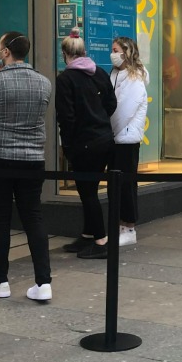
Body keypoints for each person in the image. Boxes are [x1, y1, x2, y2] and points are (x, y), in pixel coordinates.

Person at [0, 32, 53, 302]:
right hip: (32, 160)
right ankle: (43, 283)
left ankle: (1, 281)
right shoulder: (44, 84)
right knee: (33, 217)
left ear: (6, 53)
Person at [56, 30, 117, 259]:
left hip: (83, 142)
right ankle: (89, 234)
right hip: (104, 138)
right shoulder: (99, 73)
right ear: (83, 51)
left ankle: (101, 240)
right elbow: (112, 103)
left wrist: (68, 145)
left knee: (87, 192)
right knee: (89, 190)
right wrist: (98, 118)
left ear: (65, 54)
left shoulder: (66, 79)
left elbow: (66, 117)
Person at [109, 36, 148, 247]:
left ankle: (129, 227)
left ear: (126, 52)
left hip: (126, 138)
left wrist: (109, 128)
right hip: (116, 138)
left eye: (115, 50)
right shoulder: (116, 74)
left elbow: (123, 110)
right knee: (117, 185)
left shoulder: (135, 79)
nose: (112, 54)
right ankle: (120, 224)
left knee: (126, 185)